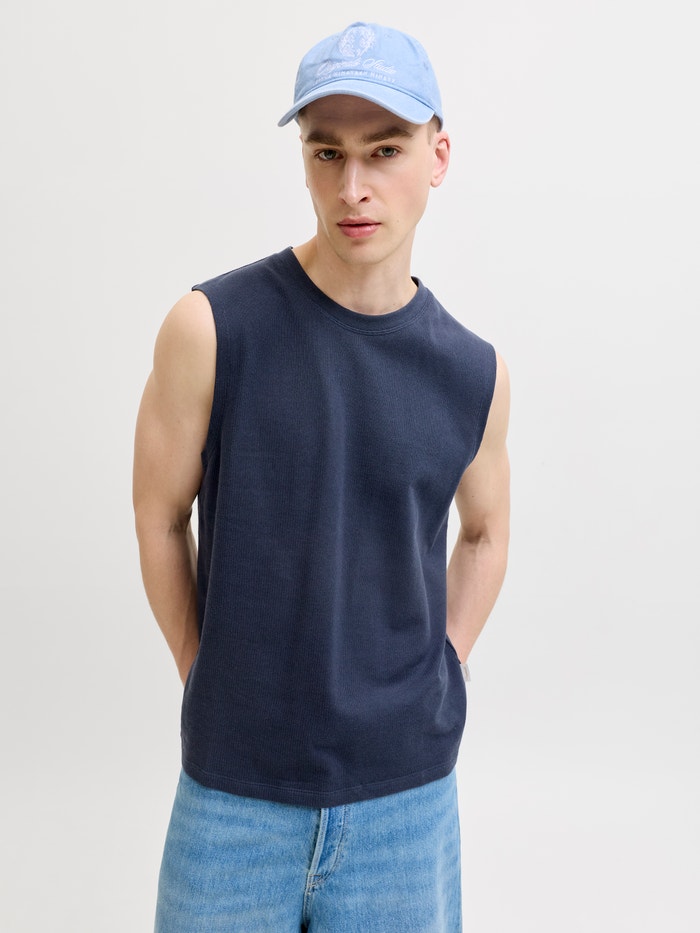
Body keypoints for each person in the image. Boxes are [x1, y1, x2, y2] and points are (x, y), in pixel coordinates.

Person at [133, 21, 510, 932]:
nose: (353, 188)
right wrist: (202, 667)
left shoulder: (473, 370)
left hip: (404, 804)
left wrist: (444, 664)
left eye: (385, 150)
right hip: (233, 802)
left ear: (438, 156)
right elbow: (158, 515)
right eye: (327, 151)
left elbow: (487, 531)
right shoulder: (211, 327)